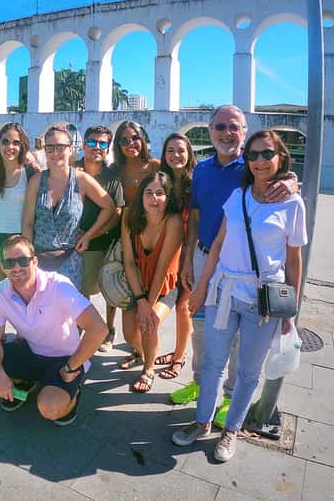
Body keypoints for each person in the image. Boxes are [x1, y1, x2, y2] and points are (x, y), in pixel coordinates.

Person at [173, 130, 307, 462]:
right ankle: (202, 421)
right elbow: (218, 244)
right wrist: (201, 288)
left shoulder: (293, 203)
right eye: (253, 155)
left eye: (267, 154)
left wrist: (290, 310)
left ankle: (231, 429)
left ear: (281, 158)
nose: (260, 161)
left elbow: (294, 259)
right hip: (224, 292)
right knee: (213, 363)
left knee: (248, 370)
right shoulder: (238, 195)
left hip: (262, 301)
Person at [0, 235, 107, 425]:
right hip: (30, 350)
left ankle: (72, 395)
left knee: (50, 409)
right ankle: (22, 383)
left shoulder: (59, 286)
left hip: (63, 359)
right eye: (9, 262)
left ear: (35, 261)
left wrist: (71, 366)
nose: (17, 267)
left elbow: (98, 328)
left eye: (23, 260)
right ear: (2, 267)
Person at [22, 125, 115, 291]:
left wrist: (88, 235)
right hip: (39, 261)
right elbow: (28, 222)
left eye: (60, 147)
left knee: (69, 306)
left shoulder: (81, 180)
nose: (55, 153)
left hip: (70, 261)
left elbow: (108, 207)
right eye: (50, 148)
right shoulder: (36, 181)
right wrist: (28, 257)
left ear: (70, 149)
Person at [118, 172, 183, 392]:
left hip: (165, 285)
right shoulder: (129, 215)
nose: (154, 198)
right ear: (141, 196)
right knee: (129, 333)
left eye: (159, 193)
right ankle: (144, 352)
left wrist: (148, 306)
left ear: (167, 197)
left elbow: (162, 268)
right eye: (148, 192)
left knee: (149, 323)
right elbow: (128, 262)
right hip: (137, 281)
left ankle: (148, 369)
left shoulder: (173, 221)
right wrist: (140, 300)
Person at [102, 121, 160, 348]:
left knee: (142, 281)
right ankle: (109, 330)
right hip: (120, 231)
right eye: (124, 140)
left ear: (143, 139)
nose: (130, 144)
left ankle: (142, 337)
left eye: (134, 138)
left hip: (148, 233)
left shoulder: (155, 166)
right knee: (114, 278)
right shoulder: (115, 169)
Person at [75, 126, 125, 351]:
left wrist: (90, 235)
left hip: (103, 240)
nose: (97, 147)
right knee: (81, 288)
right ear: (84, 144)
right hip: (73, 240)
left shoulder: (112, 177)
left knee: (108, 289)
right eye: (92, 142)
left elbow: (116, 214)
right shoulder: (72, 169)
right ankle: (82, 326)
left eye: (103, 143)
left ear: (107, 148)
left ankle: (109, 329)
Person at [154, 133, 197, 379]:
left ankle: (179, 357)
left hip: (190, 251)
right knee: (164, 304)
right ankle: (158, 351)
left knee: (183, 307)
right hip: (168, 252)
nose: (176, 155)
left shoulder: (197, 181)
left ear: (189, 153)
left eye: (181, 150)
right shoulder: (163, 180)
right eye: (170, 150)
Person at [0, 122, 38, 282]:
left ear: (22, 146)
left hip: (20, 238)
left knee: (22, 287)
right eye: (5, 142)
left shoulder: (31, 173)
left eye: (16, 142)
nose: (10, 147)